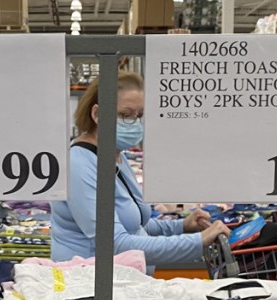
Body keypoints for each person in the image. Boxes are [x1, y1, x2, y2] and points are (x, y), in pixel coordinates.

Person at [51, 71, 230, 268]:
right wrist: (197, 242)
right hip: (91, 285)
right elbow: (115, 244)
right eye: (125, 115)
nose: (134, 123)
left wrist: (182, 226)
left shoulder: (115, 155)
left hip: (122, 282)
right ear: (97, 114)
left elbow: (135, 225)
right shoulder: (79, 164)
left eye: (139, 115)